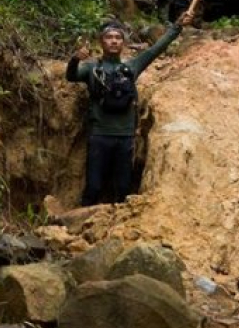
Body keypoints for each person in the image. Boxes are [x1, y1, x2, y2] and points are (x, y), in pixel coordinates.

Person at [66, 17, 190, 207]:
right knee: (94, 187)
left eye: (118, 37)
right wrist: (75, 59)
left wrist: (178, 26)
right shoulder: (92, 68)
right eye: (109, 37)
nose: (114, 41)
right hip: (99, 135)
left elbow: (155, 50)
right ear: (101, 41)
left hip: (125, 137)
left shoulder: (131, 67)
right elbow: (71, 76)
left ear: (123, 42)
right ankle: (79, 226)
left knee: (123, 188)